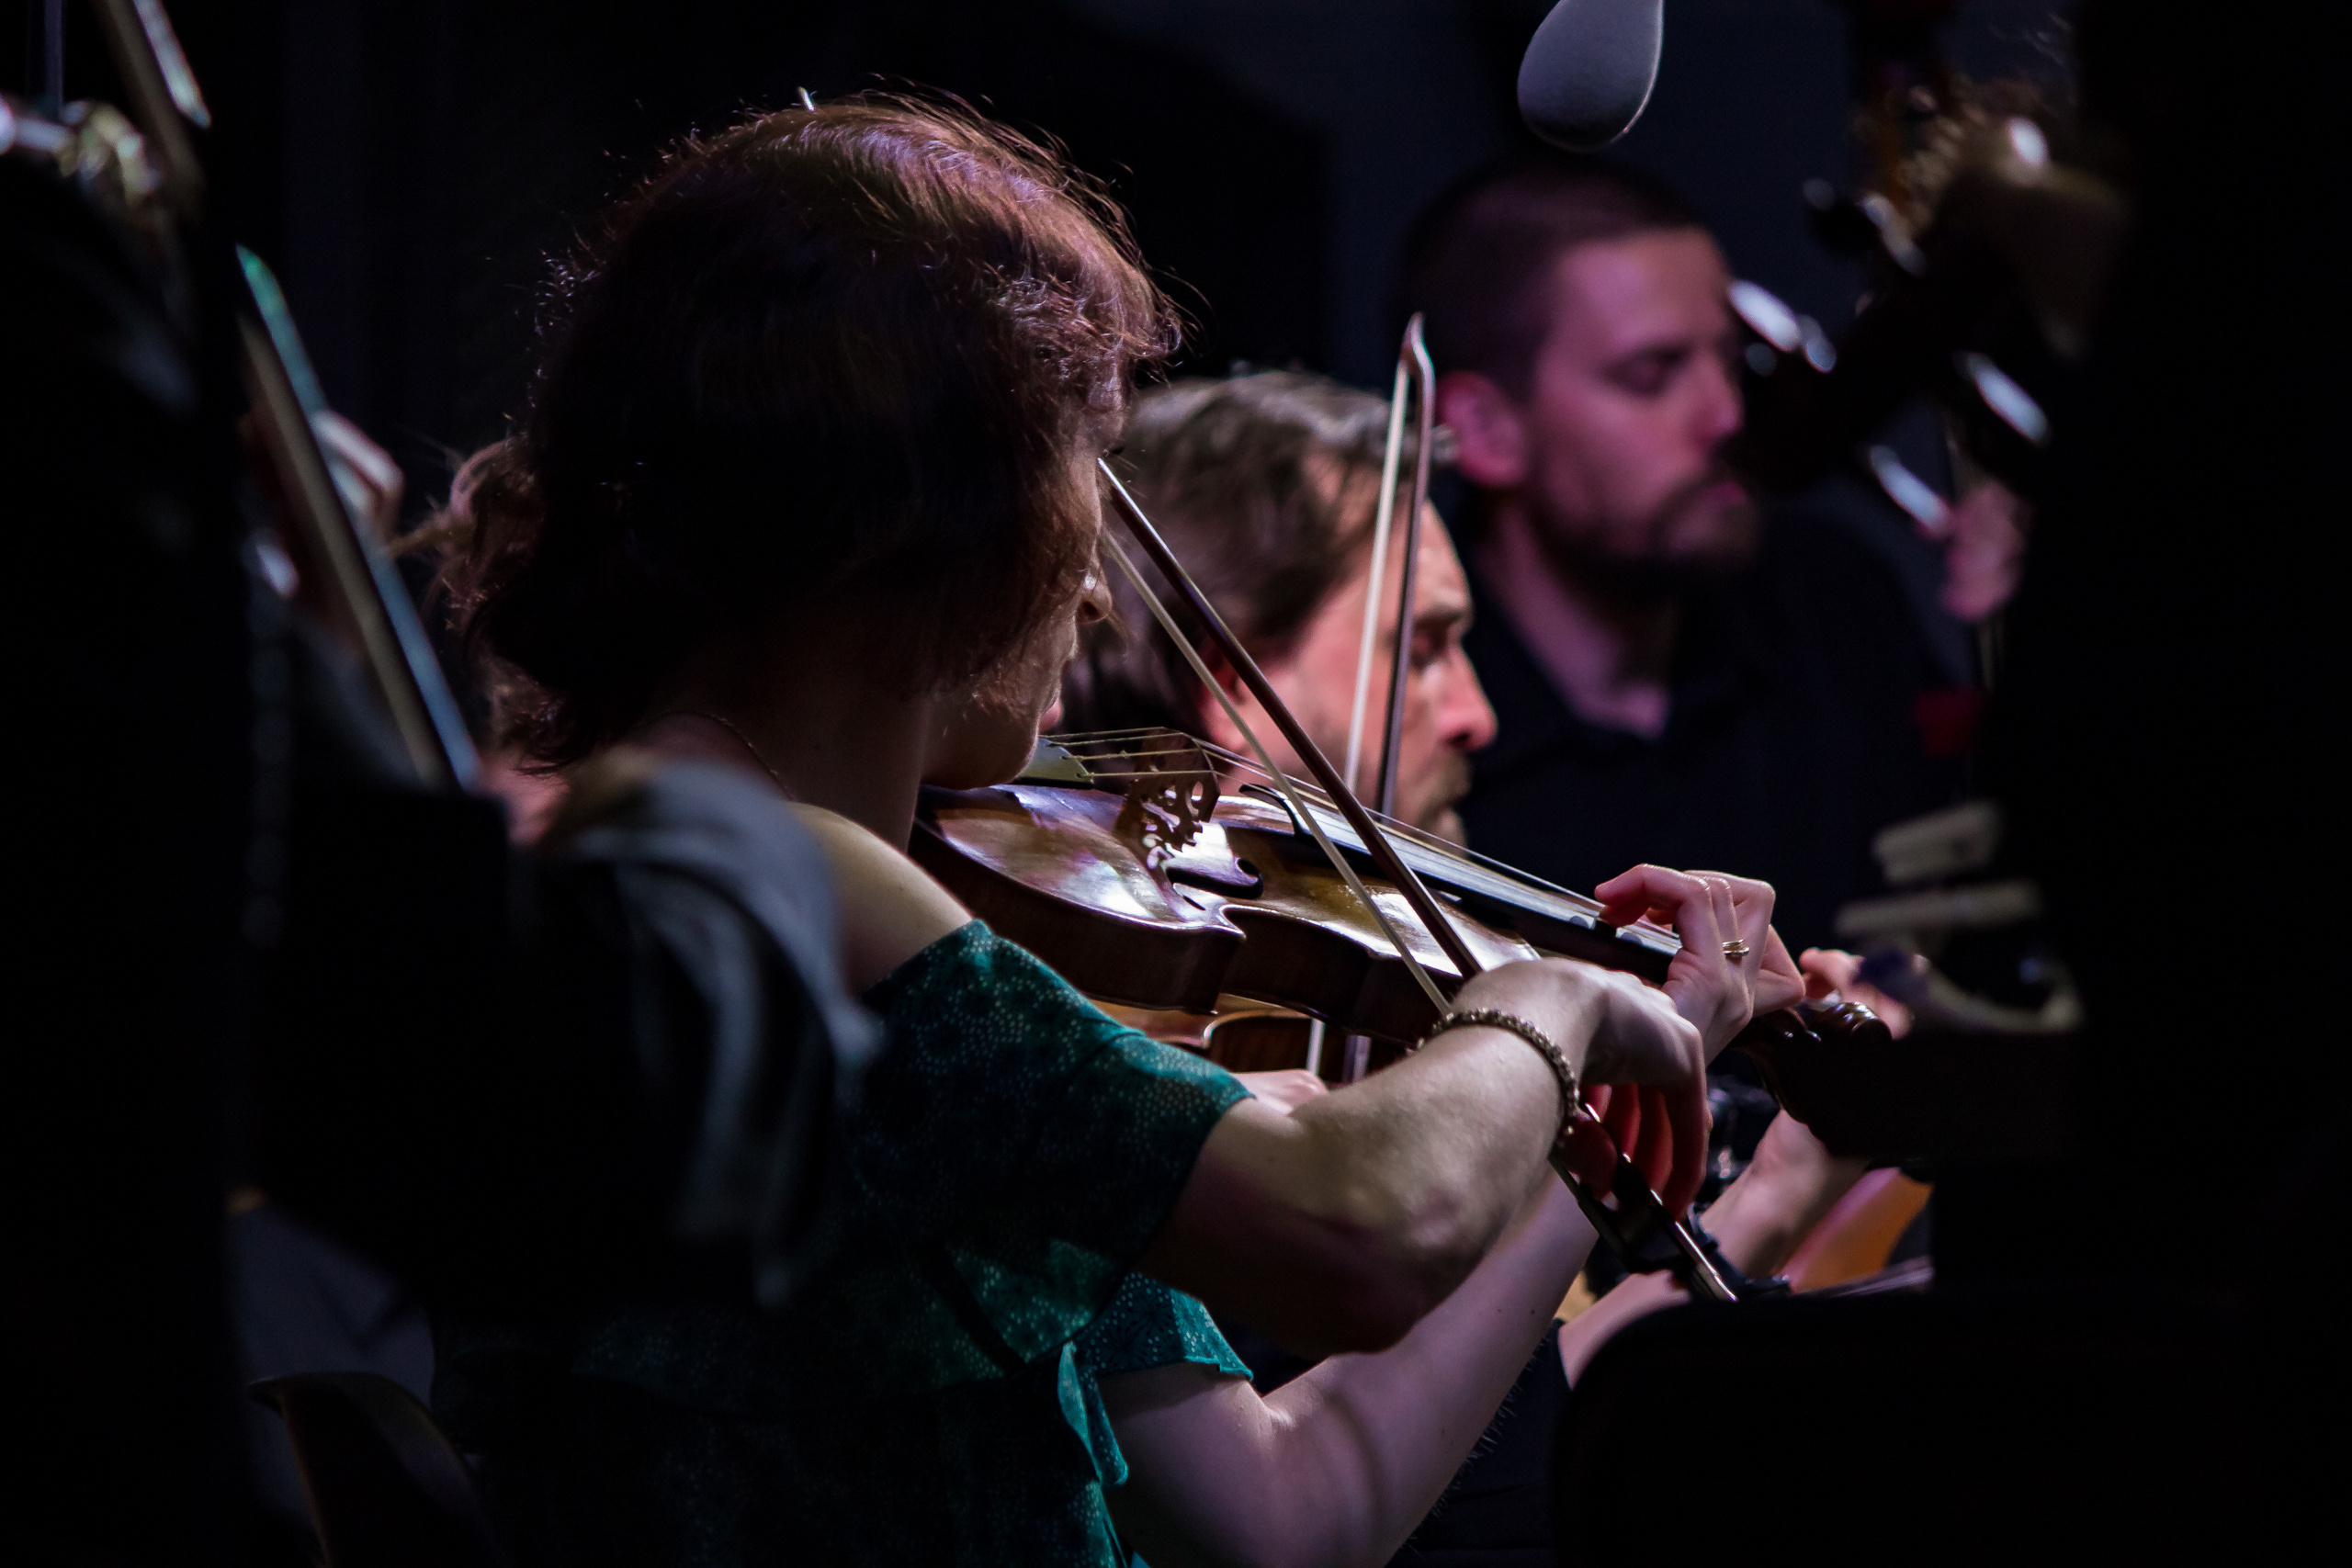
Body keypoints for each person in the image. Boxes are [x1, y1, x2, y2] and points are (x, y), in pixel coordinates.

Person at [424, 96, 1798, 1567]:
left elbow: (1291, 1511)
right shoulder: (769, 873)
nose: (1095, 585)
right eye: (1086, 457)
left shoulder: (882, 926)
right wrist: (1553, 995)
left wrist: (1585, 1161)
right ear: (944, 496)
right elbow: (1355, 1226)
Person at [1063, 369, 1875, 1561]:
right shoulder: (1105, 1035)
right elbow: (1433, 1507)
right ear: (1235, 688)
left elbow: (1489, 1401)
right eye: (1427, 646)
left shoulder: (1346, 1005)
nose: (1482, 711)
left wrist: (1765, 1185)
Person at [1396, 154, 1973, 951]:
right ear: (1488, 432)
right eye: (1652, 374)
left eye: (1729, 361)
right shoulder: (1407, 703)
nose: (1727, 416)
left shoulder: (1832, 599)